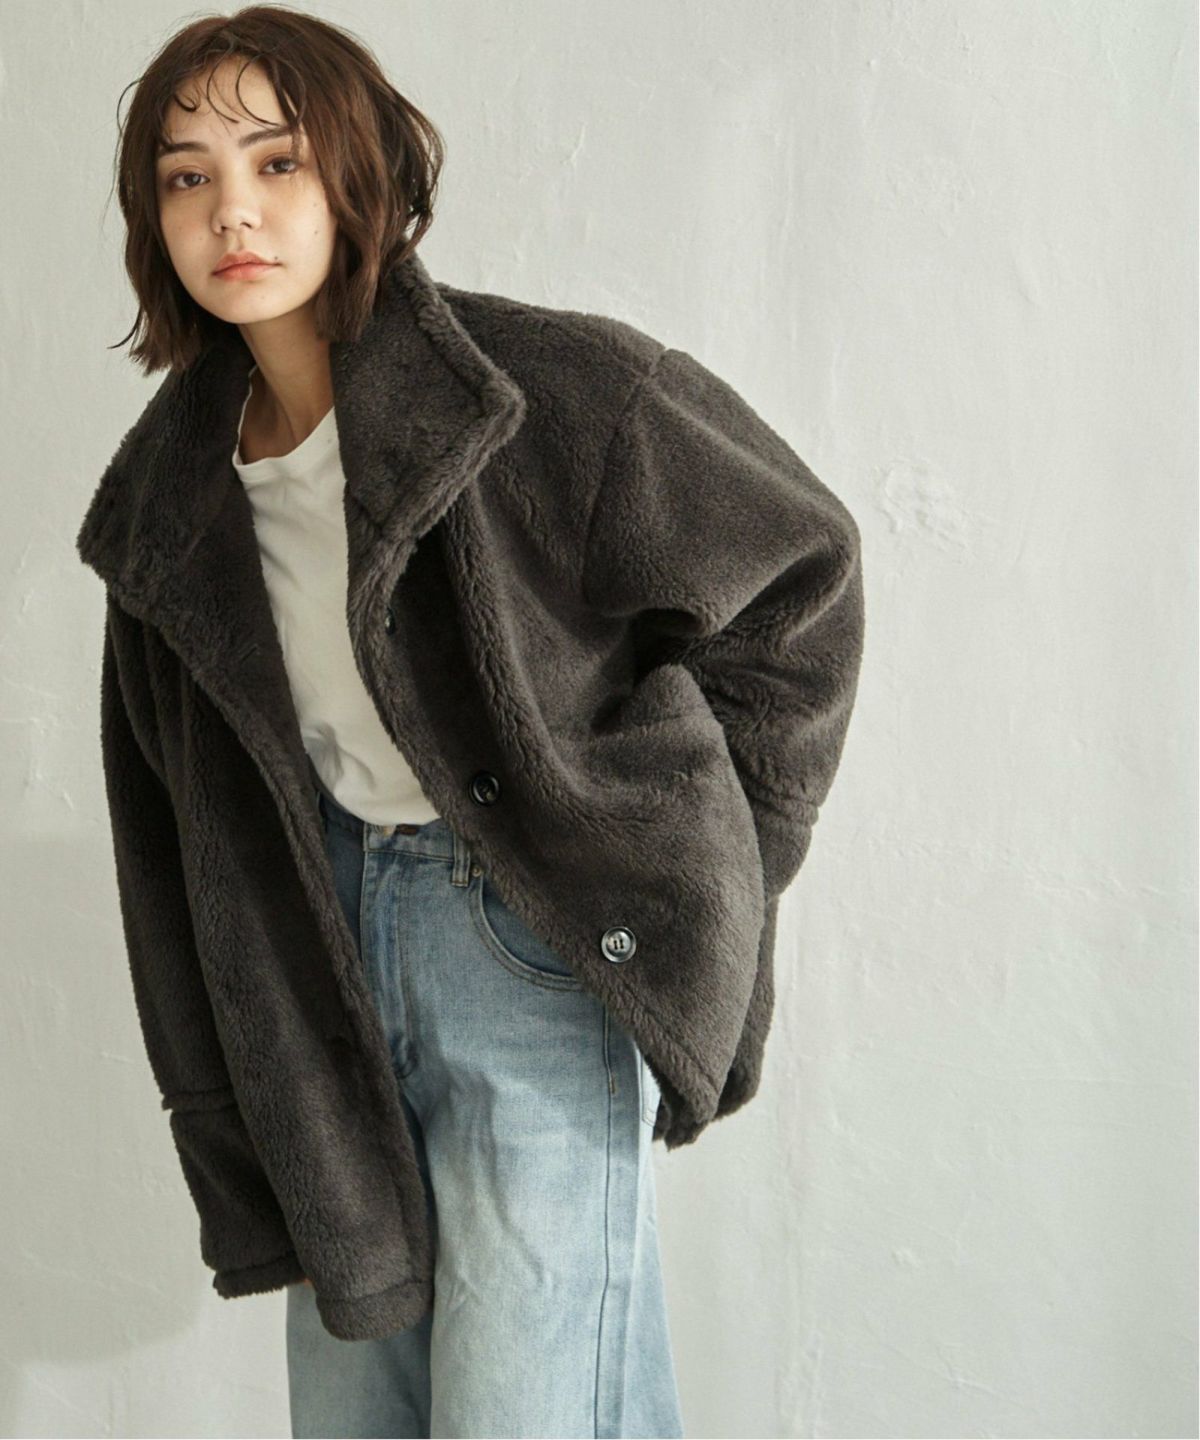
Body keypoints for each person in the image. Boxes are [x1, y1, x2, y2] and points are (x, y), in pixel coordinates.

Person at [78, 7, 865, 1437]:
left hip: (522, 942)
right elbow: (163, 840)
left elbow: (801, 576)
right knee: (359, 1409)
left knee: (531, 1407)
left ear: (358, 176)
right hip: (310, 965)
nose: (232, 210)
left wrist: (701, 866)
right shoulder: (160, 507)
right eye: (187, 177)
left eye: (276, 161)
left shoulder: (546, 393)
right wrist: (222, 1102)